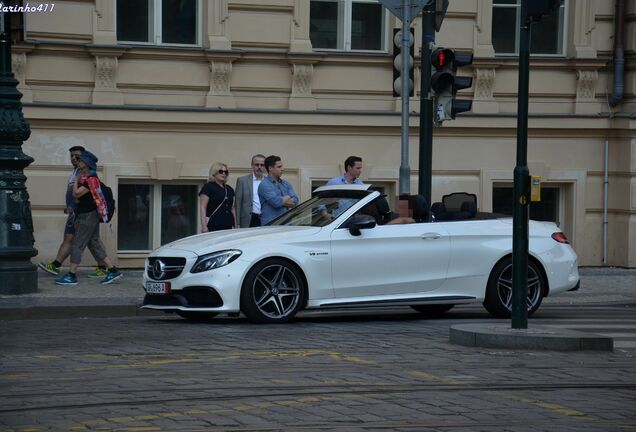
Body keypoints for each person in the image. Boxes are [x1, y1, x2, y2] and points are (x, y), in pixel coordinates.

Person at [55, 151, 123, 285]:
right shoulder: (86, 178)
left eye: (80, 160)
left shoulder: (91, 179)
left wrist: (75, 181)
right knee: (94, 243)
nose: (77, 161)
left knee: (77, 244)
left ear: (86, 163)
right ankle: (113, 271)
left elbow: (76, 194)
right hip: (88, 215)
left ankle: (72, 275)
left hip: (87, 216)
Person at [39, 146, 107, 278]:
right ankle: (105, 267)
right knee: (91, 240)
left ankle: (60, 267)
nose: (74, 158)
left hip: (82, 213)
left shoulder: (85, 174)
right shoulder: (76, 172)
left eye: (77, 156)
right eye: (71, 156)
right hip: (77, 212)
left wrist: (73, 206)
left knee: (73, 238)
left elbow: (80, 194)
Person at [258, 155, 299, 225]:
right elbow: (276, 202)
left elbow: (296, 201)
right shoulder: (264, 184)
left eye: (282, 166)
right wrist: (288, 196)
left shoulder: (286, 184)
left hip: (287, 224)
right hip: (271, 225)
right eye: (279, 167)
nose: (282, 169)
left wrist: (282, 201)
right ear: (270, 168)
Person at [199, 162, 237, 232]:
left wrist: (236, 225)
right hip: (213, 224)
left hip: (228, 224)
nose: (224, 173)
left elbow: (232, 209)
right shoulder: (208, 187)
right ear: (214, 173)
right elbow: (202, 207)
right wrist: (204, 226)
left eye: (226, 172)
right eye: (221, 171)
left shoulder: (229, 189)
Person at [235, 154, 266, 228]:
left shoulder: (269, 181)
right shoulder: (242, 181)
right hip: (249, 220)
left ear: (265, 167)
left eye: (262, 165)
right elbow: (238, 203)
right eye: (257, 165)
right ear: (252, 165)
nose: (259, 167)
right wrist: (237, 223)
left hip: (265, 219)